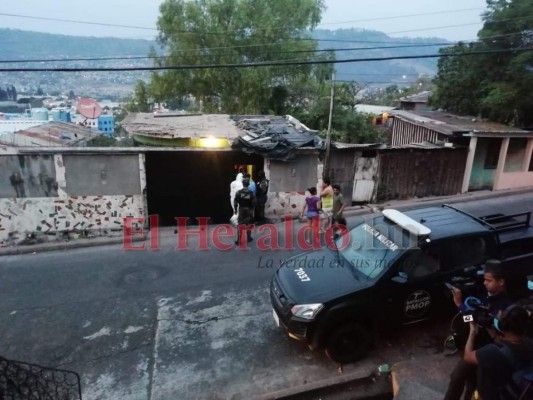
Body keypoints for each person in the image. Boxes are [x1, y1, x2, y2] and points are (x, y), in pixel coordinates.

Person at [444, 260, 512, 400]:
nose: (485, 283)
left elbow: (473, 320)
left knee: (471, 384)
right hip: (474, 346)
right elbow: (472, 319)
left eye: (489, 280)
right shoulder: (485, 295)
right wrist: (462, 308)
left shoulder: (505, 308)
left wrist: (460, 305)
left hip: (485, 353)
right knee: (457, 378)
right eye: (484, 280)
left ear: (501, 282)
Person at [463, 304, 533, 400]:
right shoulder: (529, 343)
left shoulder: (493, 352)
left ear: (503, 325)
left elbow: (467, 356)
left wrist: (472, 332)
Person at [234, 179, 256, 244]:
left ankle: (239, 240)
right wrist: (253, 209)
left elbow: (235, 202)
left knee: (240, 224)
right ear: (248, 184)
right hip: (249, 209)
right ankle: (248, 238)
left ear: (243, 184)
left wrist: (235, 209)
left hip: (241, 209)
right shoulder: (251, 193)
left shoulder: (238, 192)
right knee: (249, 223)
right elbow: (254, 202)